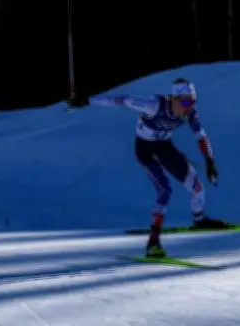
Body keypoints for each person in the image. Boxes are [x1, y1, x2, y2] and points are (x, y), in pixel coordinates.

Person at [67, 77, 228, 258]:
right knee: (165, 191)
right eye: (184, 102)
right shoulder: (153, 105)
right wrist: (87, 101)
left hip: (164, 147)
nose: (188, 107)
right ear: (173, 99)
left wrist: (210, 160)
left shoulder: (189, 113)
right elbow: (123, 100)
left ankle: (199, 220)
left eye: (192, 102)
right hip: (146, 150)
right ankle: (153, 243)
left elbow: (201, 136)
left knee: (197, 186)